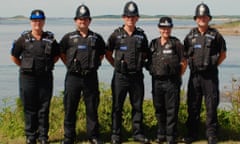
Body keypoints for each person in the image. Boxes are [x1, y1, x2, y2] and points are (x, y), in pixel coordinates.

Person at [10, 9, 60, 144]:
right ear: (31, 22)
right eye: (34, 20)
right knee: (29, 107)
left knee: (44, 107)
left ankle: (43, 136)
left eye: (39, 20)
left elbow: (56, 56)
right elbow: (14, 56)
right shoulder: (23, 39)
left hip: (45, 77)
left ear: (43, 21)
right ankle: (30, 136)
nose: (37, 23)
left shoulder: (50, 39)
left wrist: (46, 66)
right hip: (28, 78)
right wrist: (24, 66)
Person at [59, 4, 106, 144]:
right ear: (75, 21)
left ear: (89, 21)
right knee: (70, 107)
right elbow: (61, 53)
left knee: (92, 107)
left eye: (85, 19)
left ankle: (93, 136)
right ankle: (69, 136)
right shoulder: (68, 38)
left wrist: (93, 65)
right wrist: (69, 64)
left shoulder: (96, 38)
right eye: (80, 19)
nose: (82, 21)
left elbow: (102, 54)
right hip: (73, 77)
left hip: (90, 76)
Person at [105, 1, 150, 144]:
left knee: (137, 106)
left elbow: (145, 54)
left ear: (137, 18)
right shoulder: (116, 35)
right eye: (128, 16)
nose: (130, 19)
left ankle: (137, 133)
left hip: (136, 76)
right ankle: (116, 134)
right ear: (123, 17)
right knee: (117, 106)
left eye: (133, 16)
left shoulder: (141, 36)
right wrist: (116, 65)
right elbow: (107, 53)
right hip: (120, 76)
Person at [183, 3, 227, 144]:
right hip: (195, 76)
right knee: (193, 105)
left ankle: (211, 135)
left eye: (205, 16)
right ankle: (192, 134)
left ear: (209, 18)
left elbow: (223, 54)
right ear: (196, 19)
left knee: (211, 105)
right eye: (199, 16)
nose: (202, 19)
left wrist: (213, 66)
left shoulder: (216, 35)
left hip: (210, 77)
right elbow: (185, 55)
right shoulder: (190, 36)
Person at [147, 17, 187, 144]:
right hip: (157, 81)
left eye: (168, 28)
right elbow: (147, 61)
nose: (166, 30)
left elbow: (184, 63)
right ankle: (161, 134)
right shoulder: (153, 43)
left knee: (172, 109)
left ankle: (171, 136)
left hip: (172, 81)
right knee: (159, 108)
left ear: (171, 28)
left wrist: (177, 77)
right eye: (163, 28)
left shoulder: (177, 44)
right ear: (159, 29)